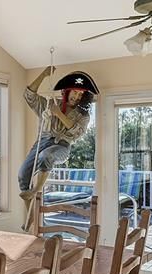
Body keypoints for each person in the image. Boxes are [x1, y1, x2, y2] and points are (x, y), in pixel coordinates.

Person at [19, 67, 99, 231]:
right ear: (67, 91)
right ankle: (30, 217)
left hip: (61, 145)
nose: (76, 97)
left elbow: (76, 132)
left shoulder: (83, 115)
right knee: (22, 176)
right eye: (74, 92)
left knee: (46, 156)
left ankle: (36, 190)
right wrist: (43, 74)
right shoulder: (49, 104)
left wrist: (59, 114)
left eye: (80, 95)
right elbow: (29, 95)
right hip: (41, 142)